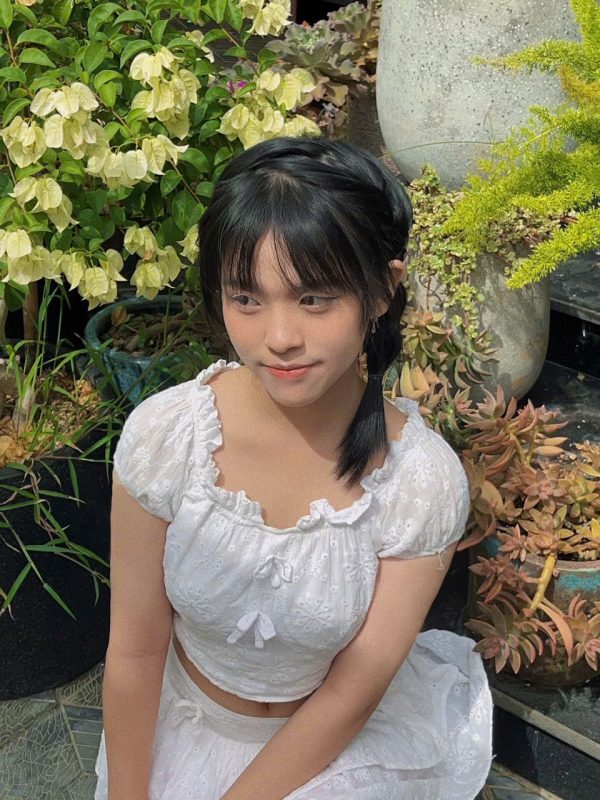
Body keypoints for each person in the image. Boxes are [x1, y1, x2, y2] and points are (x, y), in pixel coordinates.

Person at [94, 135, 493, 800]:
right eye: (247, 299)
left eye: (313, 299)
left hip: (328, 759)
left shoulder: (419, 483)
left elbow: (352, 691)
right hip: (175, 732)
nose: (279, 338)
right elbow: (134, 650)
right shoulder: (168, 439)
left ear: (382, 291)